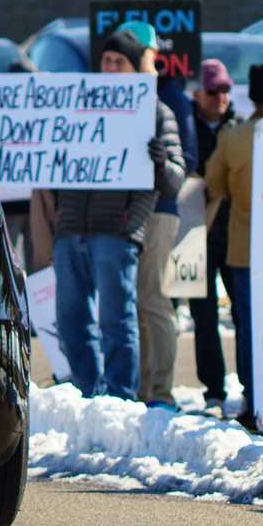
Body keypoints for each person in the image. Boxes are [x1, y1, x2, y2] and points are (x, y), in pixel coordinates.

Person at [51, 29, 187, 402]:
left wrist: (161, 161)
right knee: (71, 322)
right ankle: (89, 393)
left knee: (117, 320)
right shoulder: (77, 106)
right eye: (106, 61)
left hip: (117, 229)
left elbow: (176, 180)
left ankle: (120, 397)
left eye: (119, 62)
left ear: (134, 67)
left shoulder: (156, 112)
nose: (110, 68)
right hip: (71, 227)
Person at [204, 63, 263, 429]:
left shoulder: (235, 137)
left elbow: (215, 184)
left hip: (245, 247)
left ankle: (254, 397)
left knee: (249, 327)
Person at [121, 20, 198, 409]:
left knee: (153, 299)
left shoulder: (170, 98)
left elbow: (187, 162)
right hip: (123, 212)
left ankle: (161, 391)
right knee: (133, 301)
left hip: (159, 209)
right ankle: (144, 386)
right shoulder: (116, 97)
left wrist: (161, 161)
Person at [189, 59, 238, 414]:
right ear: (197, 93)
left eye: (225, 89)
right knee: (203, 317)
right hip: (194, 235)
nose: (221, 97)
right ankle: (213, 390)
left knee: (244, 313)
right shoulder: (185, 126)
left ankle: (250, 383)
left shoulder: (238, 127)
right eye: (213, 90)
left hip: (235, 234)